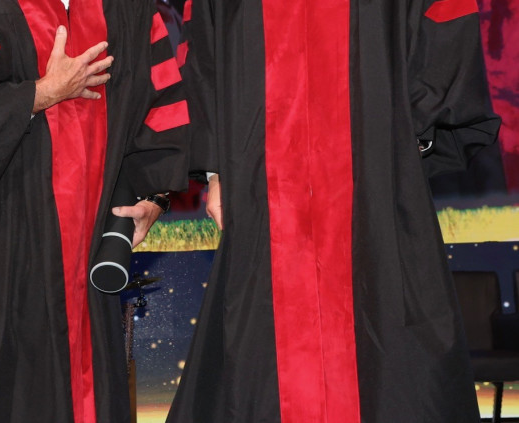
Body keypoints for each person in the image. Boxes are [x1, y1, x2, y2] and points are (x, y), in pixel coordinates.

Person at [168, 0, 500, 422]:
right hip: (262, 189)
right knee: (258, 360)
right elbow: (205, 47)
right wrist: (216, 169)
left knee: (390, 350)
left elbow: (444, 24)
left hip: (373, 184)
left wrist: (406, 130)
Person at [0, 0, 189, 421]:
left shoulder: (129, 10)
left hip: (89, 265)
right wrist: (41, 93)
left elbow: (161, 107)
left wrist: (155, 198)